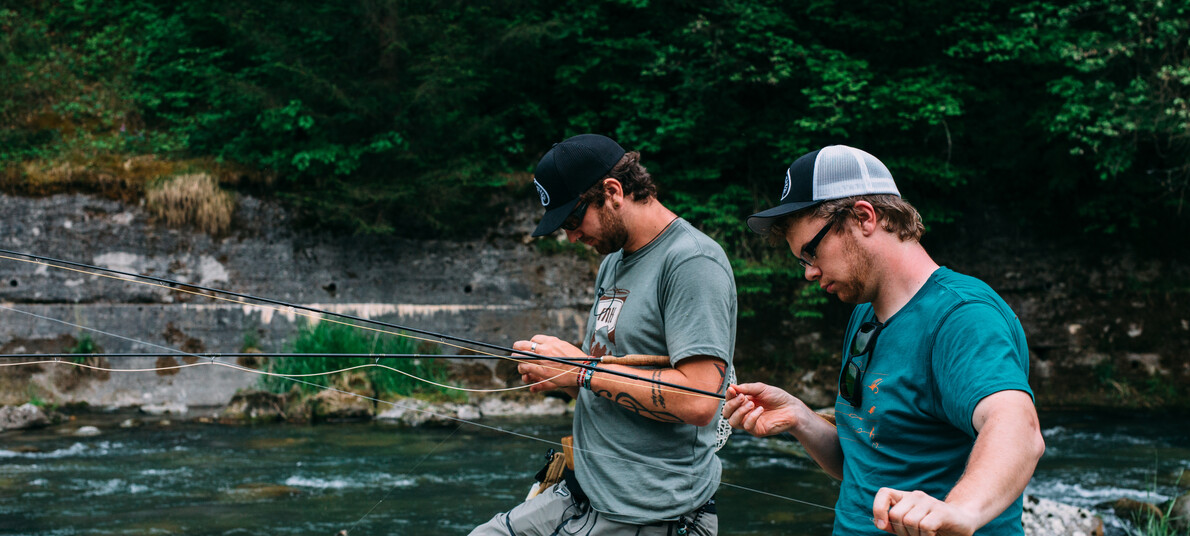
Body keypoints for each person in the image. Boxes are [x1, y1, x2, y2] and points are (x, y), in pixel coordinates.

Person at [722, 145, 1045, 536]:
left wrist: (961, 510)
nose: (808, 273)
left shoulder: (963, 316)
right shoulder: (865, 312)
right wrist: (800, 418)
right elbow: (867, 460)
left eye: (811, 251)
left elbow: (1017, 427)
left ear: (863, 217)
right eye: (802, 261)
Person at [468, 134, 737, 536]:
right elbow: (608, 375)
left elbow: (700, 400)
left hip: (648, 514)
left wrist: (580, 371)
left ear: (612, 192)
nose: (572, 237)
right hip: (581, 493)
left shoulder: (692, 262)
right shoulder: (612, 261)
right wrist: (563, 375)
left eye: (573, 221)